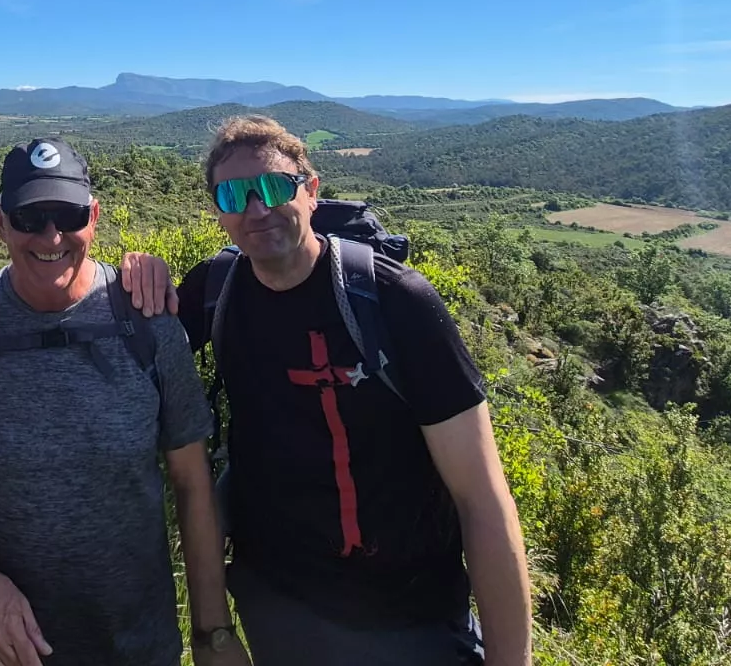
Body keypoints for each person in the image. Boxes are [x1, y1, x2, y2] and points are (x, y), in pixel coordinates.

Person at [127, 115, 532, 666]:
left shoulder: (394, 301)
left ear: (311, 192)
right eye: (234, 194)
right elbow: (121, 348)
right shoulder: (213, 293)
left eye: (274, 186)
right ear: (217, 210)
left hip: (412, 618)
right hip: (279, 608)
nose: (257, 208)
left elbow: (482, 498)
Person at [0, 138, 249, 666]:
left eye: (67, 215)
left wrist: (212, 634)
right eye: (30, 217)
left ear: (93, 217)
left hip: (131, 645)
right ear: (0, 222)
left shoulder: (147, 320)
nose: (51, 236)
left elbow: (192, 481)